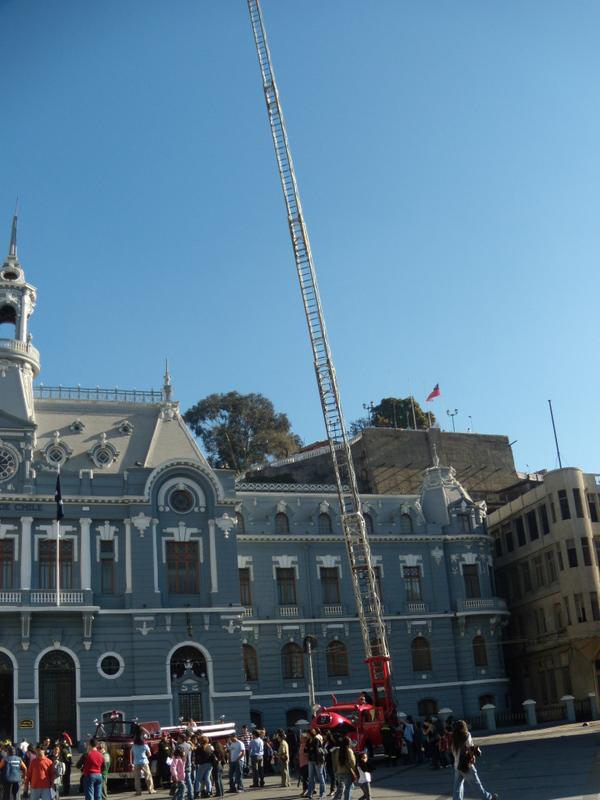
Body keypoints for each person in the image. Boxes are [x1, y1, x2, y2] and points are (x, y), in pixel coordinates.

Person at [450, 721, 497, 800]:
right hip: (467, 765)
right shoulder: (466, 735)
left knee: (457, 787)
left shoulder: (453, 737)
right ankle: (488, 798)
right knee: (476, 784)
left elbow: (453, 751)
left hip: (457, 765)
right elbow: (470, 746)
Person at [305, 729, 326, 800]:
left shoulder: (316, 740)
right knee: (310, 777)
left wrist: (309, 749)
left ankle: (322, 793)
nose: (306, 735)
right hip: (311, 760)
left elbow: (315, 750)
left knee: (320, 776)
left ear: (310, 733)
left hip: (318, 761)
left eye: (307, 734)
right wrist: (310, 749)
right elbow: (306, 750)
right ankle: (310, 793)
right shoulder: (308, 741)